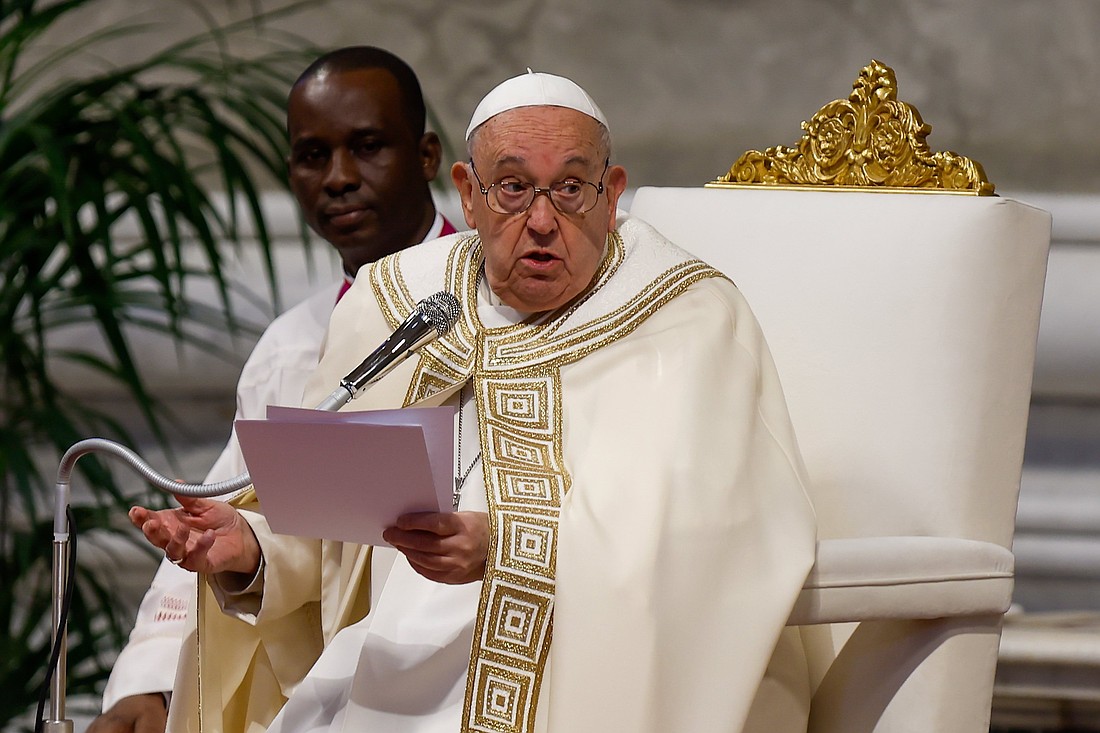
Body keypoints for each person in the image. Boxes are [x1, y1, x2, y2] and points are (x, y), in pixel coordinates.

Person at [130, 70, 817, 732]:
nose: (542, 220)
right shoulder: (401, 301)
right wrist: (248, 547)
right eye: (513, 188)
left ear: (612, 194)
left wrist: (507, 549)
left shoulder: (684, 316)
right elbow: (336, 546)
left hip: (571, 677)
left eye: (571, 188)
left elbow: (720, 534)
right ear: (468, 193)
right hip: (381, 663)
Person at [90, 45, 456, 733]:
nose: (339, 178)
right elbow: (222, 514)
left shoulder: (498, 308)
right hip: (335, 679)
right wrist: (151, 681)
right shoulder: (292, 346)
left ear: (428, 156)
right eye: (312, 155)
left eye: (368, 146)